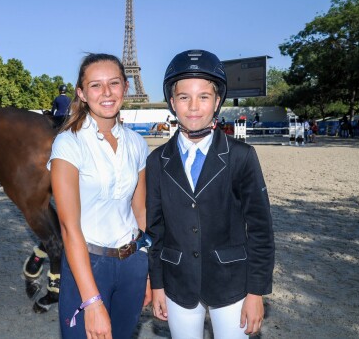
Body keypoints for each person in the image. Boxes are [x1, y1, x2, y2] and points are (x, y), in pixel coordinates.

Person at [146, 49, 275, 338]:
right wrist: (157, 284)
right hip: (178, 282)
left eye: (203, 97)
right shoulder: (157, 161)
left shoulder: (241, 156)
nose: (193, 106)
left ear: (217, 101)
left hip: (231, 282)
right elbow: (155, 230)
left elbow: (260, 229)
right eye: (184, 97)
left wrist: (256, 292)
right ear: (172, 102)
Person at [49, 53, 151, 339]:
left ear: (126, 87)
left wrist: (148, 273)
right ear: (81, 93)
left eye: (114, 83)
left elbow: (140, 211)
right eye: (95, 85)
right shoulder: (68, 143)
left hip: (133, 264)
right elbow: (69, 229)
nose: (106, 93)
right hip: (88, 265)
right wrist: (92, 301)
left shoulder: (137, 143)